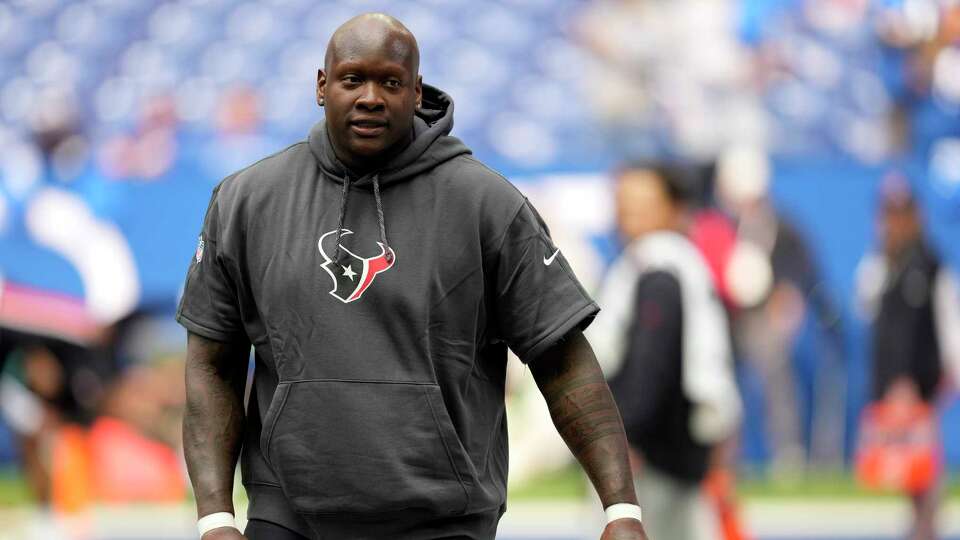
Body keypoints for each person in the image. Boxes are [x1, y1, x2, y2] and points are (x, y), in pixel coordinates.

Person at [177, 13, 647, 540]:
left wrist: (620, 509)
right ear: (321, 85)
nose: (372, 97)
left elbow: (562, 360)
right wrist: (215, 517)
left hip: (444, 522)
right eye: (353, 79)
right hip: (290, 519)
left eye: (391, 82)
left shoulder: (485, 205)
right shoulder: (247, 201)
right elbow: (212, 364)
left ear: (416, 90)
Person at [589, 163, 742, 540]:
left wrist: (629, 436)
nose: (629, 211)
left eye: (644, 201)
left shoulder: (659, 268)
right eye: (624, 200)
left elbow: (652, 363)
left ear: (674, 209)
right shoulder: (675, 262)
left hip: (655, 454)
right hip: (677, 445)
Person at [855, 174, 960, 540]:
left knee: (923, 464)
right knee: (908, 468)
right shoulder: (885, 263)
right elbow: (865, 306)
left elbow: (944, 322)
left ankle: (926, 529)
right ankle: (920, 526)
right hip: (896, 382)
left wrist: (942, 373)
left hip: (918, 382)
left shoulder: (929, 264)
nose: (893, 223)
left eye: (900, 214)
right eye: (888, 214)